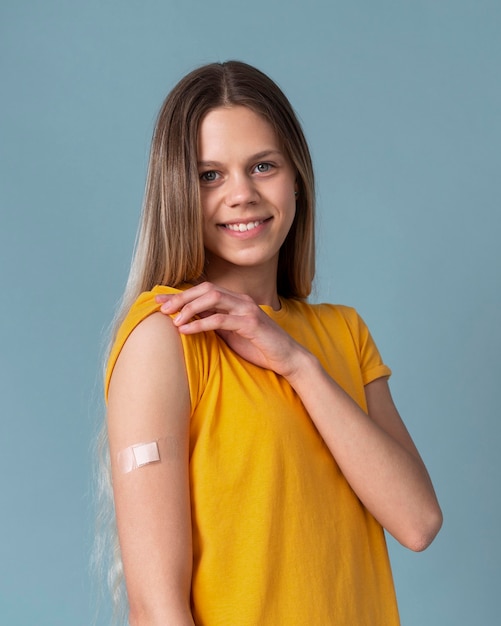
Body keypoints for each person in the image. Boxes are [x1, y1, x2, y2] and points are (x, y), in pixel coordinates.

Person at [103, 60, 442, 625]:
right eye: (209, 175)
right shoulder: (165, 337)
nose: (241, 194)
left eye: (263, 166)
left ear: (297, 178)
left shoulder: (343, 333)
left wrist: (295, 362)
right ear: (176, 191)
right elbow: (157, 608)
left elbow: (418, 521)